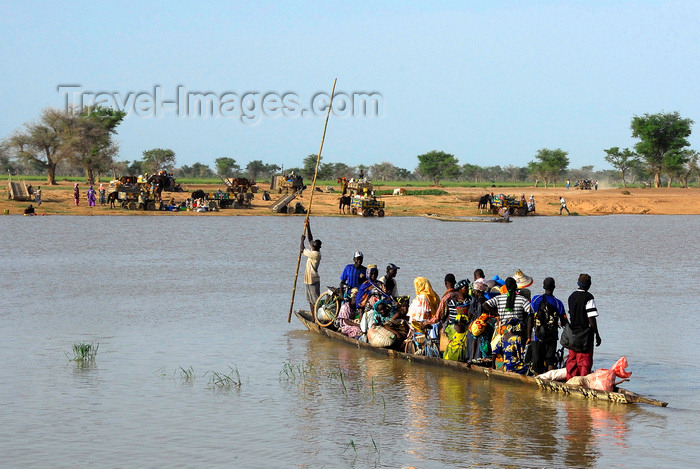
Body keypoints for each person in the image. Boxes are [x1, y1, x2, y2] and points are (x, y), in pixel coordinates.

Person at [565, 274, 602, 380]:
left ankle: (570, 381)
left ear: (578, 283)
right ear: (589, 285)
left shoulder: (571, 296)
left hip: (572, 334)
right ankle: (583, 383)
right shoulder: (588, 297)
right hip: (585, 335)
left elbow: (571, 314)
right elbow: (591, 318)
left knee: (572, 360)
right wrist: (597, 335)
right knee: (584, 362)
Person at [528, 277, 568, 374]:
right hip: (552, 336)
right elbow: (565, 321)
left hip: (536, 335)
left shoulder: (536, 299)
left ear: (543, 287)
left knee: (537, 363)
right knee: (550, 360)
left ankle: (538, 380)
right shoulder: (558, 303)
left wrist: (528, 337)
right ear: (554, 287)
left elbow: (530, 318)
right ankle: (549, 380)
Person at [300, 220, 322, 313]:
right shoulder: (313, 251)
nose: (311, 245)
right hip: (308, 279)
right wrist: (308, 227)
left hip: (313, 280)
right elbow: (310, 239)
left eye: (313, 245)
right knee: (310, 300)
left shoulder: (315, 254)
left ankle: (318, 317)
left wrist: (301, 240)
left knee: (315, 300)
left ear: (315, 247)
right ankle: (314, 318)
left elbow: (302, 249)